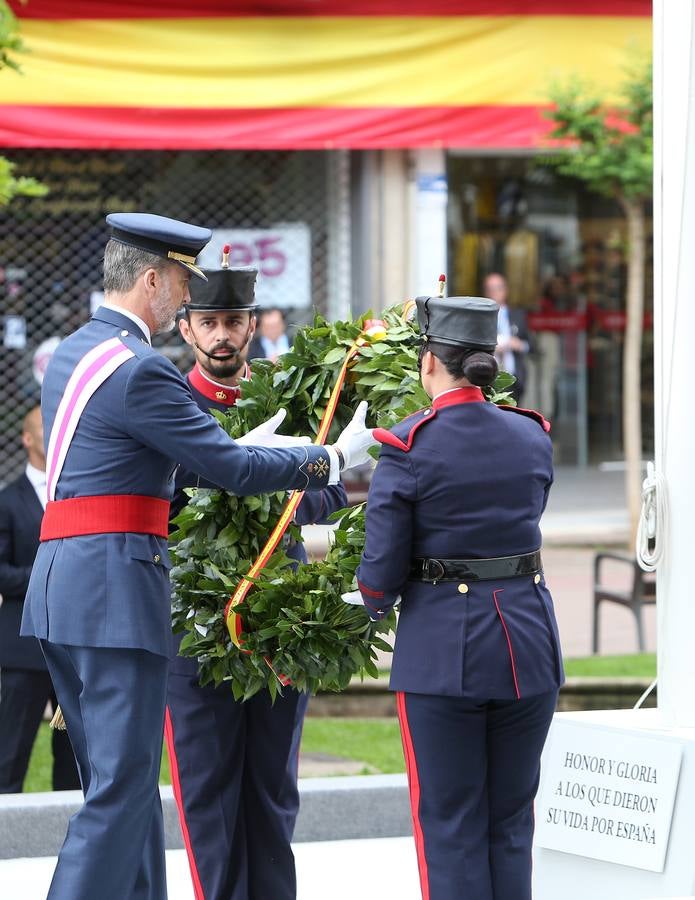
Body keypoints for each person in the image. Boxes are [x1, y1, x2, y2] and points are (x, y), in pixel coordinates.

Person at [20, 212, 374, 900]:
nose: (186, 299)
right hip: (112, 595)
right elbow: (227, 469)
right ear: (151, 278)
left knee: (120, 793)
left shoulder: (74, 351)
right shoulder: (141, 370)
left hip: (63, 591)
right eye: (182, 282)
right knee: (120, 797)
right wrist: (330, 458)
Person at [352, 294, 563, 900]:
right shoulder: (531, 436)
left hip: (444, 653)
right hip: (528, 647)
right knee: (511, 824)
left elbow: (382, 568)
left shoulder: (409, 446)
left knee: (451, 827)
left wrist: (367, 601)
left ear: (427, 364)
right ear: (489, 362)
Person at [167, 261, 348, 900]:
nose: (222, 336)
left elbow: (329, 494)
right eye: (209, 323)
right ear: (186, 328)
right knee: (209, 791)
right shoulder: (169, 400)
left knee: (272, 789)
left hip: (280, 622)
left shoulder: (284, 400)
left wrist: (301, 483)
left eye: (233, 323)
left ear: (252, 327)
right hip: (196, 628)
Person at [0, 407, 80, 794]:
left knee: (74, 755)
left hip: (71, 644)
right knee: (10, 754)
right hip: (22, 648)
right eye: (44, 431)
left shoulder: (77, 490)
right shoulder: (7, 500)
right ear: (27, 439)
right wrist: (48, 575)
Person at [483, 271, 531, 404]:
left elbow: (531, 345)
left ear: (505, 290)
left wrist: (519, 345)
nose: (494, 292)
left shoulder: (518, 315)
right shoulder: (480, 317)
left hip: (514, 378)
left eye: (498, 288)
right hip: (488, 380)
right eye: (490, 289)